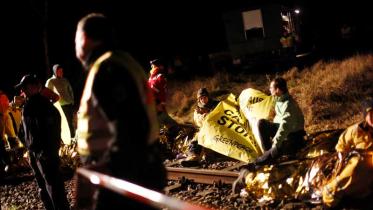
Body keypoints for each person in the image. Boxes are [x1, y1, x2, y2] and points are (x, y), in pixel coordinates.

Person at [74, 13, 166, 210]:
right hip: (136, 170)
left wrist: (105, 170)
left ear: (84, 39)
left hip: (122, 179)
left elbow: (130, 128)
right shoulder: (123, 61)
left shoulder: (108, 69)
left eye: (75, 39)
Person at [232, 77, 305, 193]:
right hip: (285, 132)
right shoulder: (279, 100)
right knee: (262, 123)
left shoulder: (288, 105)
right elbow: (278, 122)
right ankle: (269, 156)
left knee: (276, 148)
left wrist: (276, 143)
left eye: (271, 87)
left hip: (294, 137)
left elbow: (284, 127)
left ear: (277, 90)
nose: (269, 89)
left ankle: (257, 163)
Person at [15, 74, 70, 210]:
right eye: (22, 88)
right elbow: (22, 131)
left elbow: (53, 129)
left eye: (25, 87)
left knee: (54, 187)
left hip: (45, 155)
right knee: (44, 186)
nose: (23, 91)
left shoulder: (43, 106)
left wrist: (46, 151)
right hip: (36, 154)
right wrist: (30, 147)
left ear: (35, 87)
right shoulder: (27, 106)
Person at [321, 98, 373, 207]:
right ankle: (331, 199)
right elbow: (340, 147)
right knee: (358, 163)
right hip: (355, 170)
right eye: (371, 114)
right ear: (365, 116)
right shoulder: (355, 130)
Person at [181, 88, 219, 166]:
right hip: (208, 130)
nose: (203, 100)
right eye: (201, 98)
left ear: (208, 97)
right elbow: (198, 120)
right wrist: (204, 117)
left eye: (204, 97)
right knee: (198, 137)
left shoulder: (217, 105)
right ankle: (193, 157)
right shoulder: (198, 109)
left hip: (219, 129)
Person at [46, 64, 75, 138]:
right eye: (59, 71)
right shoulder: (50, 81)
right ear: (55, 72)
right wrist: (50, 103)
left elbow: (70, 90)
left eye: (62, 71)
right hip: (60, 106)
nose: (61, 72)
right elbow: (46, 93)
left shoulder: (65, 80)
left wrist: (72, 100)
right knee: (64, 124)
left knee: (71, 122)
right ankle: (65, 140)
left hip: (68, 104)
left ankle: (73, 138)